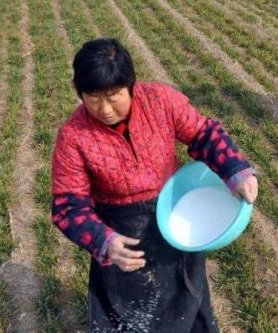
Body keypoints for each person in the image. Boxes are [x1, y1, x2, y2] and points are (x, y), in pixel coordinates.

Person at [51, 38, 258, 332]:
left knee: (188, 294)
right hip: (123, 232)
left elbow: (203, 134)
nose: (105, 108)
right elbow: (67, 206)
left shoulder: (160, 101)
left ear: (131, 85)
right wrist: (104, 241)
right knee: (133, 313)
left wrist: (235, 170)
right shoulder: (74, 136)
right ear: (80, 92)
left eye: (113, 96)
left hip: (173, 214)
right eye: (93, 97)